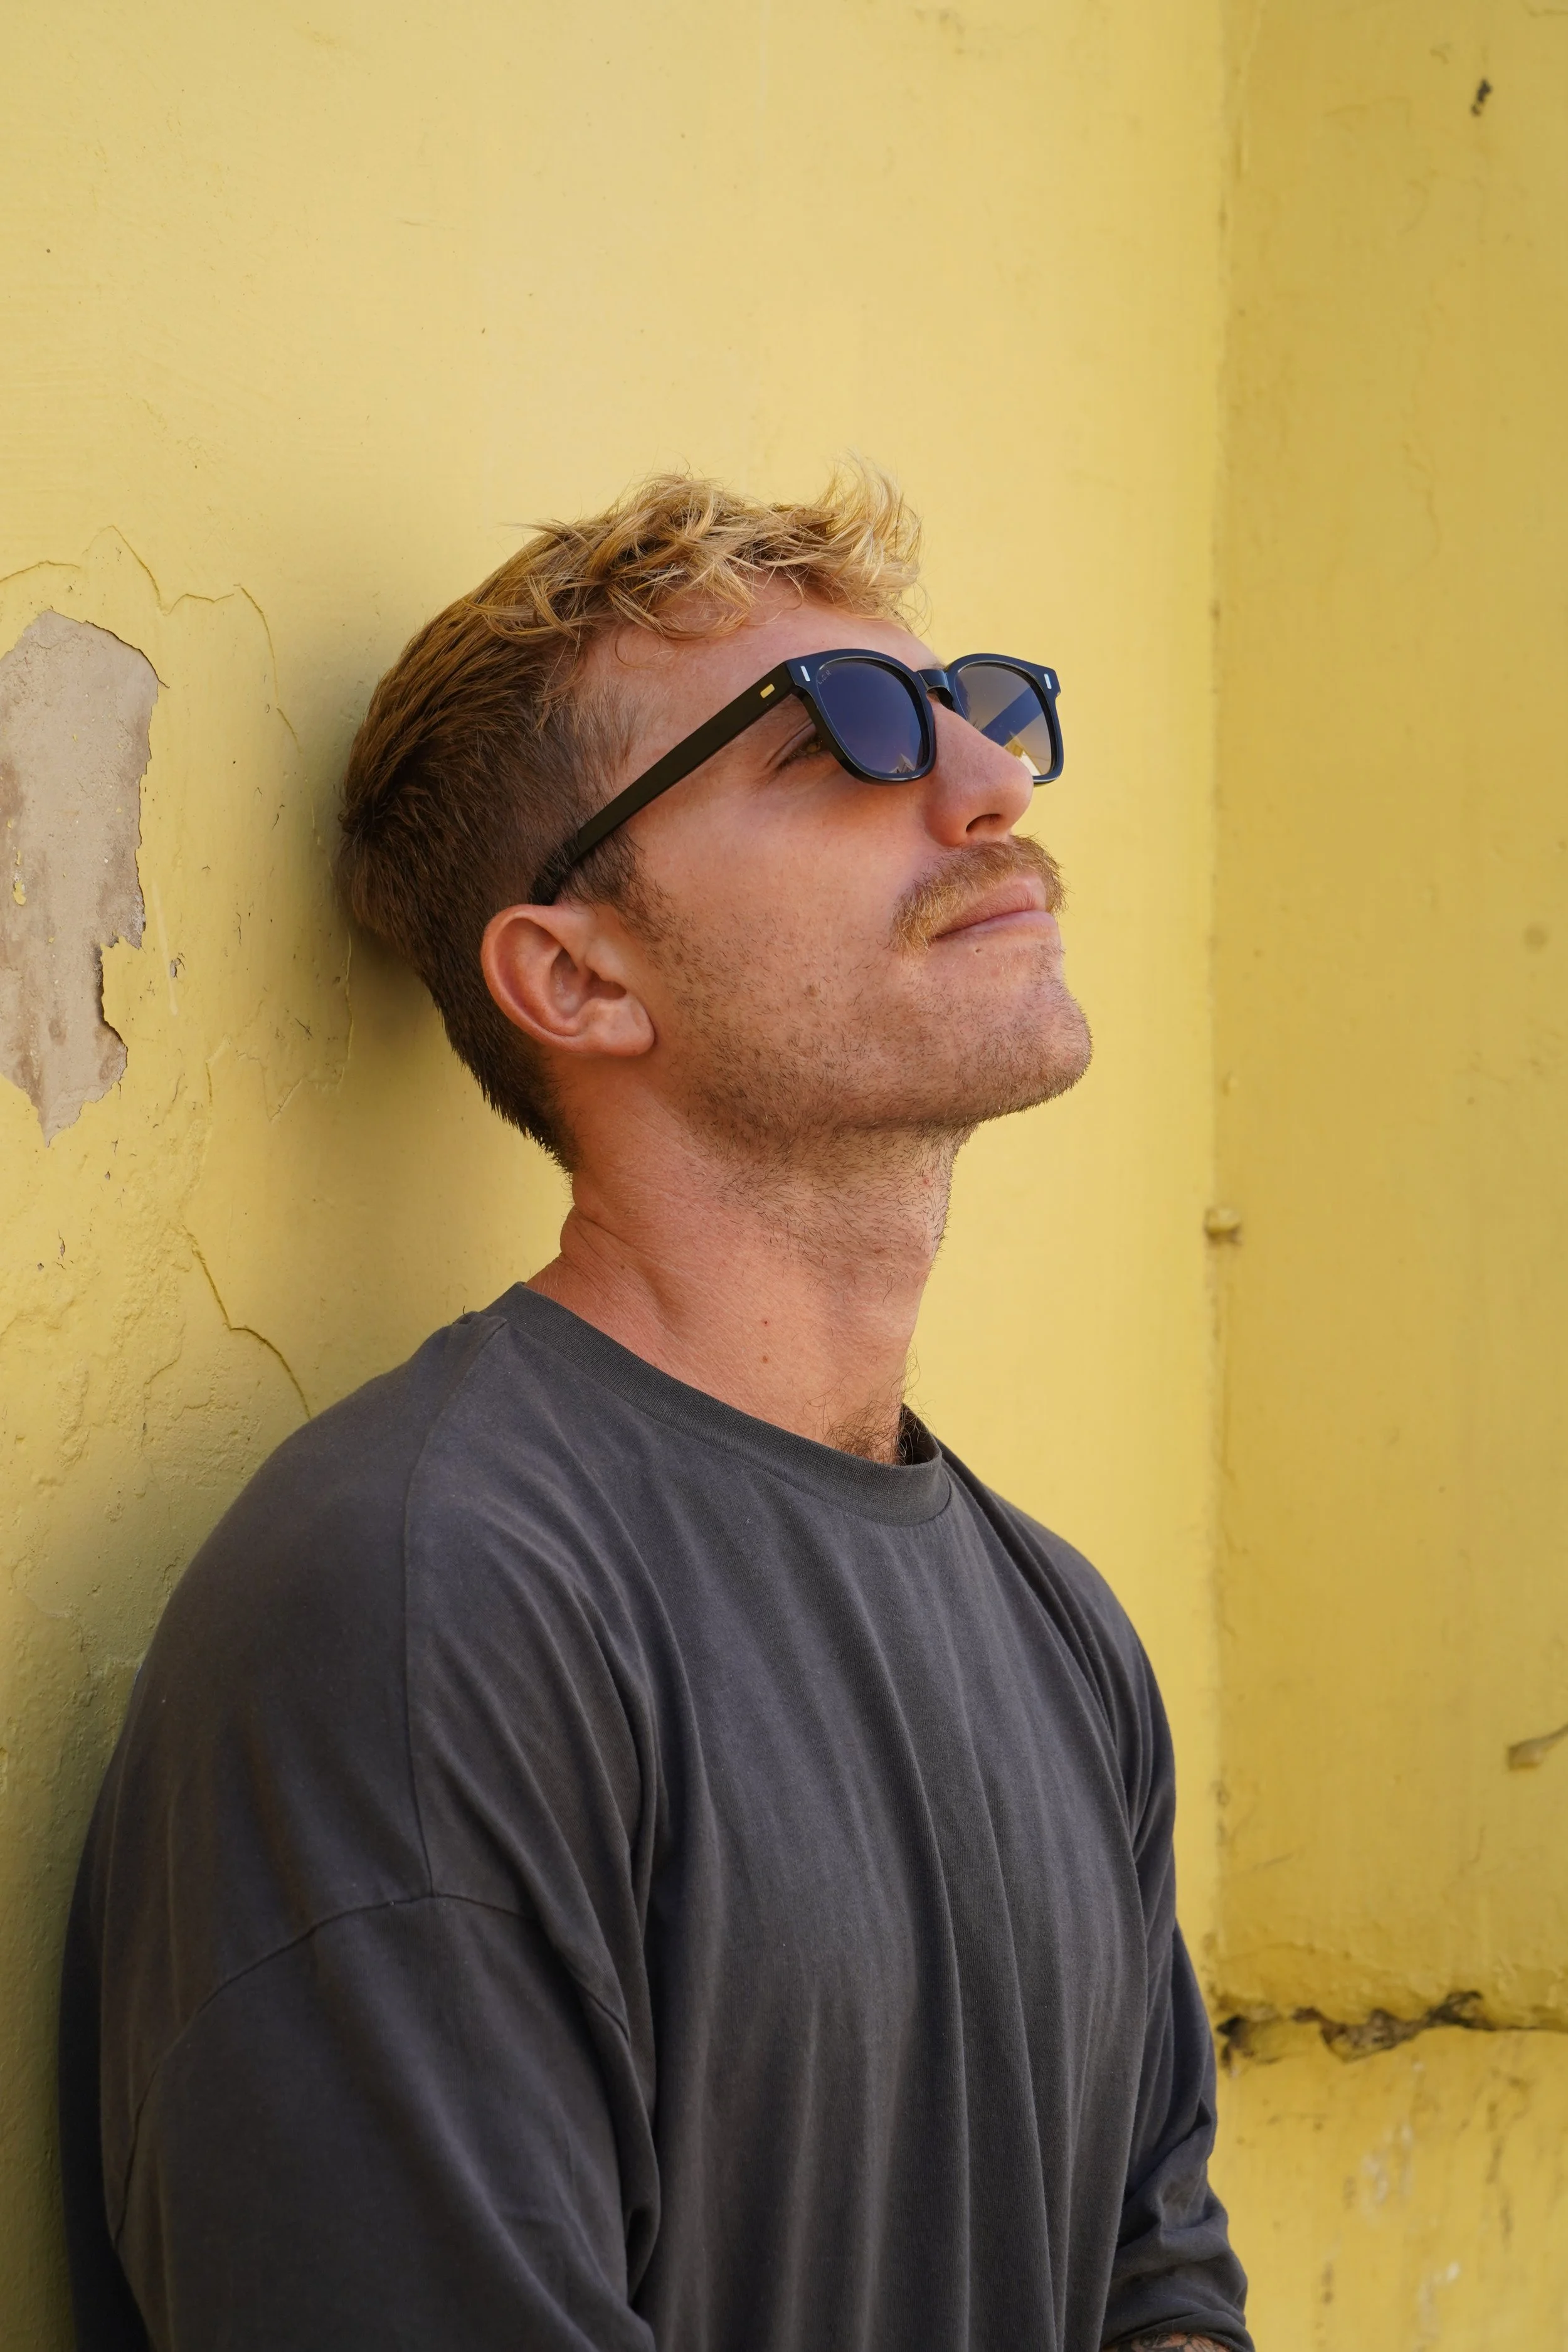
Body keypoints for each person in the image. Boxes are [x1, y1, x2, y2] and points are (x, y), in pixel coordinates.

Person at [59, 467, 1251, 2352]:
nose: (987, 786)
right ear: (576, 973)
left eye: (975, 708)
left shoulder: (1061, 1632)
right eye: (841, 737)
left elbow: (1154, 2281)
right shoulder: (417, 1607)